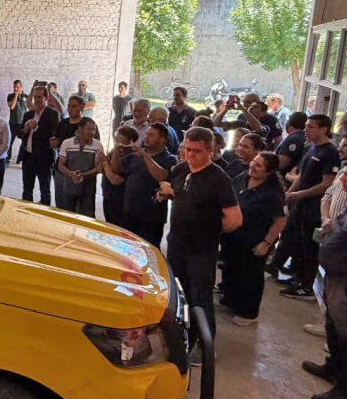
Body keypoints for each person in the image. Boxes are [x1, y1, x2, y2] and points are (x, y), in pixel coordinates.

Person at [158, 127, 242, 365]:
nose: (191, 155)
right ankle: (182, 338)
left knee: (200, 298)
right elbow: (181, 193)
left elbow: (235, 220)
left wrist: (208, 228)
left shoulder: (218, 179)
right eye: (187, 149)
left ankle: (206, 347)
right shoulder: (181, 168)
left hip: (201, 251)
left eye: (197, 151)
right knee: (179, 294)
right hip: (176, 244)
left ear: (210, 150)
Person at [302, 156, 347, 399]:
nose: (341, 179)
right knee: (334, 329)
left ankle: (346, 390)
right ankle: (333, 368)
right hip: (336, 278)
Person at [301, 130, 347, 337]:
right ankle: (331, 328)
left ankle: (342, 341)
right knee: (332, 293)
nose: (340, 148)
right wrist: (326, 219)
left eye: (345, 145)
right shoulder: (344, 170)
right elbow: (327, 195)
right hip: (332, 232)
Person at [270, 115, 340, 300]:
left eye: (310, 127)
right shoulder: (310, 147)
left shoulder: (329, 152)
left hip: (313, 207)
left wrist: (301, 194)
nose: (306, 130)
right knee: (296, 241)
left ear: (323, 128)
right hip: (299, 204)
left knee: (309, 246)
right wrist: (290, 193)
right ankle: (297, 277)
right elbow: (301, 175)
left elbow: (327, 183)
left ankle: (306, 286)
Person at [220, 152, 287, 325]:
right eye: (253, 162)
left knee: (250, 276)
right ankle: (232, 299)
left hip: (255, 240)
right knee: (231, 269)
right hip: (233, 236)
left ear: (268, 172)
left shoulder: (273, 192)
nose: (252, 166)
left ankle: (248, 312)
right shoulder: (242, 178)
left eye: (258, 165)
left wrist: (266, 243)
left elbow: (280, 219)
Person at [111, 123, 177, 249]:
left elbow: (161, 176)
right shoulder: (134, 155)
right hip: (129, 212)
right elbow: (116, 170)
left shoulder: (169, 159)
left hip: (151, 218)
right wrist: (116, 152)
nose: (146, 137)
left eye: (151, 135)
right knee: (125, 251)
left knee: (148, 252)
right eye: (146, 134)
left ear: (162, 139)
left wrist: (145, 156)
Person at [18, 86, 60, 205]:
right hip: (28, 157)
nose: (37, 100)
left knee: (45, 190)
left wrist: (37, 127)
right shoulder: (28, 114)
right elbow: (19, 134)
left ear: (46, 98)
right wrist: (25, 129)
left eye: (39, 97)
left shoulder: (53, 114)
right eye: (35, 97)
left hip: (44, 159)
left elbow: (53, 135)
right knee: (26, 189)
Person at [55, 118, 104, 216]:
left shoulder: (97, 145)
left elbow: (99, 168)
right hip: (69, 188)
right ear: (80, 129)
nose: (92, 132)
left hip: (88, 190)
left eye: (93, 130)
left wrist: (83, 175)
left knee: (88, 218)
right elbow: (60, 165)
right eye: (88, 129)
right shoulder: (67, 143)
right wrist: (71, 174)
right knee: (68, 217)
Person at [99, 125, 139, 227]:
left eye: (121, 140)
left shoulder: (132, 156)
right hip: (108, 195)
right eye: (116, 139)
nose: (117, 143)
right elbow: (102, 170)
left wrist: (105, 163)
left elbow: (114, 177)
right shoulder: (113, 151)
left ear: (130, 141)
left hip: (120, 198)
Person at [275, 111, 308, 176]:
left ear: (288, 124)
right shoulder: (303, 137)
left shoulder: (293, 139)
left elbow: (281, 164)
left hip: (283, 177)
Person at [7, 80, 29, 162]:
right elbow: (12, 106)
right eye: (14, 87)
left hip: (22, 123)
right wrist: (15, 96)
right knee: (9, 142)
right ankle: (7, 158)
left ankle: (21, 159)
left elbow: (30, 107)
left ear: (21, 87)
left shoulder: (26, 96)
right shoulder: (10, 96)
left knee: (24, 142)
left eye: (17, 87)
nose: (15, 88)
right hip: (12, 123)